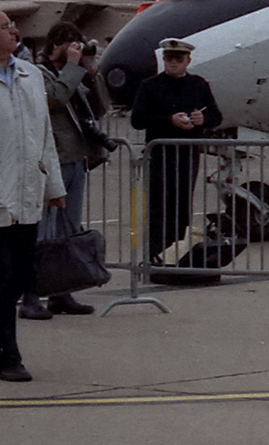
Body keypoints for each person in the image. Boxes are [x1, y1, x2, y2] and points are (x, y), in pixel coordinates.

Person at [0, 3, 67, 382]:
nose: (14, 31)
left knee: (22, 276)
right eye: (6, 27)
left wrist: (53, 185)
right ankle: (7, 357)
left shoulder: (30, 76)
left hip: (27, 193)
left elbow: (44, 137)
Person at [22, 22, 115, 318]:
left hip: (76, 159)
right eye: (72, 44)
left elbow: (100, 108)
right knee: (43, 234)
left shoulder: (71, 74)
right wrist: (73, 68)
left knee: (68, 232)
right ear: (57, 44)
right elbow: (54, 100)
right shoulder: (37, 73)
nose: (76, 50)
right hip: (53, 161)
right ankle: (31, 297)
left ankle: (62, 293)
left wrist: (91, 72)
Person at [130, 38, 222, 266]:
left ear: (187, 61)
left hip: (187, 154)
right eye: (169, 58)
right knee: (159, 206)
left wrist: (203, 120)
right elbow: (138, 119)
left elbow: (216, 116)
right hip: (160, 154)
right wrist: (168, 120)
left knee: (182, 205)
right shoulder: (150, 85)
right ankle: (154, 255)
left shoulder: (198, 85)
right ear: (164, 60)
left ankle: (179, 254)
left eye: (178, 59)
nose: (173, 63)